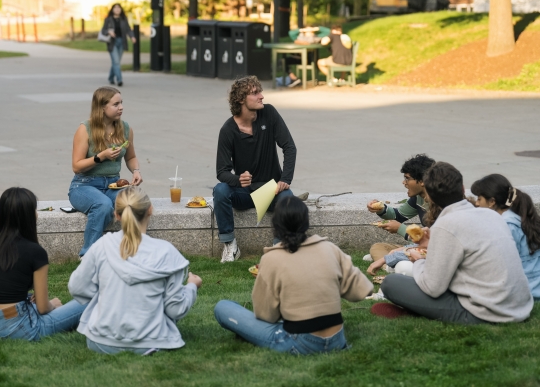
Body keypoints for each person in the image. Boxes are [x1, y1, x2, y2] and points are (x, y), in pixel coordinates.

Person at [379, 162, 533, 324]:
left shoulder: (445, 224)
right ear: (462, 188)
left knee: (391, 283)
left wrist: (419, 261)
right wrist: (430, 245)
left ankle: (414, 310)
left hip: (486, 312)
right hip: (519, 305)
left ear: (429, 197)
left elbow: (433, 287)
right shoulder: (491, 215)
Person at [214, 197, 372, 354]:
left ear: (275, 225)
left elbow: (266, 315)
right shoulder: (330, 248)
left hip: (300, 342)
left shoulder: (272, 259)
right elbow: (361, 290)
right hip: (337, 340)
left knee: (223, 307)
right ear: (306, 221)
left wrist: (267, 279)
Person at [68, 187, 201, 355]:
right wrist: (192, 287)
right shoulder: (167, 252)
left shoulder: (100, 246)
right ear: (150, 210)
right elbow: (175, 309)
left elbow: (77, 288)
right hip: (149, 344)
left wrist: (105, 295)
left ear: (116, 215)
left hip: (100, 343)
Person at [0, 187, 85, 341]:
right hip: (19, 329)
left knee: (29, 301)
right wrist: (52, 304)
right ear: (28, 215)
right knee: (86, 302)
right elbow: (42, 308)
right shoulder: (35, 252)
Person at [213, 75, 300, 262]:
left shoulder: (269, 113)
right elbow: (221, 171)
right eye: (255, 93)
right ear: (240, 99)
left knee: (288, 199)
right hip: (244, 194)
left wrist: (285, 179)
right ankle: (230, 245)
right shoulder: (228, 130)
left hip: (273, 191)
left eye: (260, 91)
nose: (262, 96)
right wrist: (238, 180)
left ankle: (278, 247)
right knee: (220, 190)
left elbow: (289, 147)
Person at [69, 87, 142, 257]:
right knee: (103, 205)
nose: (121, 107)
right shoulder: (85, 129)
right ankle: (88, 256)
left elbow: (131, 157)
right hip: (84, 185)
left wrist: (136, 171)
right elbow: (76, 166)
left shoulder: (125, 129)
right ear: (102, 107)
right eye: (116, 104)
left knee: (133, 202)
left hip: (113, 184)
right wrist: (100, 156)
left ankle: (131, 252)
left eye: (121, 103)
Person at [471, 174, 540, 300]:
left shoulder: (507, 225)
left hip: (531, 290)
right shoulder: (515, 216)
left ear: (492, 202)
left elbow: (499, 264)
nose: (476, 203)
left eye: (479, 199)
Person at [366, 154, 436, 261]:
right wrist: (381, 208)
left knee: (393, 255)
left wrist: (401, 229)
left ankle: (390, 264)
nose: (404, 182)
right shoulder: (418, 198)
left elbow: (436, 240)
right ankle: (391, 262)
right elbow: (398, 216)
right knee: (378, 247)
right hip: (421, 248)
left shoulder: (440, 201)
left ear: (422, 181)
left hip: (434, 250)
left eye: (407, 178)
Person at [101, 3, 135, 87]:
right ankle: (119, 80)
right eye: (115, 8)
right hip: (112, 43)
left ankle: (110, 78)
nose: (117, 10)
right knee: (116, 62)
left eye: (118, 8)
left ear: (121, 9)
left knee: (116, 62)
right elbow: (103, 30)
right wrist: (109, 31)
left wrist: (132, 37)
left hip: (122, 42)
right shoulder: (108, 19)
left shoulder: (124, 19)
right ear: (112, 9)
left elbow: (128, 29)